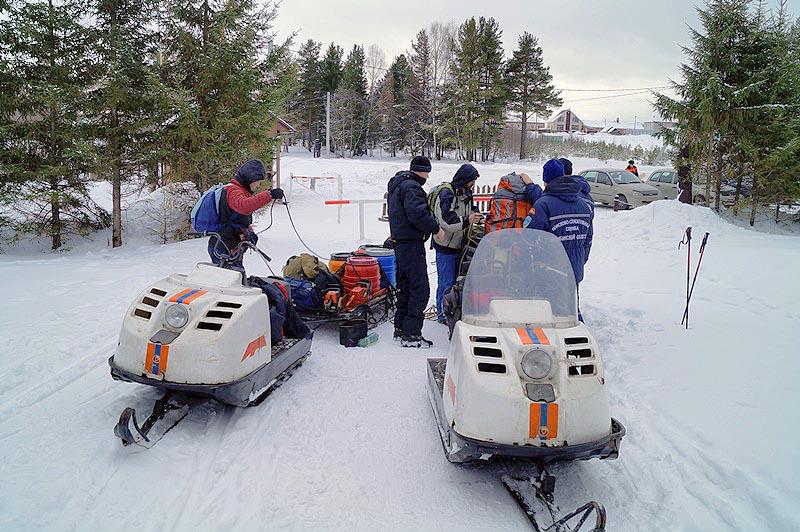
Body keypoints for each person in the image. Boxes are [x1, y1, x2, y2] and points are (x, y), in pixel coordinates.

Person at [387, 156, 446, 348]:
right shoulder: (411, 187)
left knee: (404, 287)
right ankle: (411, 334)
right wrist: (436, 227)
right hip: (411, 244)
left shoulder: (398, 185)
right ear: (420, 170)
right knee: (419, 289)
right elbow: (418, 213)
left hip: (400, 243)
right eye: (426, 172)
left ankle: (400, 328)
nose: (427, 176)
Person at [525, 159, 593, 320]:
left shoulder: (543, 204)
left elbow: (529, 236)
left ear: (545, 180)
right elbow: (588, 240)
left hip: (549, 270)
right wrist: (579, 260)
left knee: (549, 314)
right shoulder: (584, 205)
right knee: (570, 310)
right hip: (574, 268)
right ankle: (577, 337)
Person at [429, 163, 483, 323]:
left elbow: (468, 208)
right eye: (472, 181)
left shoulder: (466, 192)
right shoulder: (447, 194)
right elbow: (446, 221)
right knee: (446, 282)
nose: (473, 184)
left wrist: (474, 213)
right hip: (445, 246)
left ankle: (453, 310)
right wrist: (468, 220)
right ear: (464, 179)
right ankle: (442, 314)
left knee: (457, 282)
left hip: (460, 244)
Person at [209, 159, 284, 272]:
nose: (258, 185)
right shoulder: (233, 191)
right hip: (224, 246)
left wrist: (249, 233)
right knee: (231, 282)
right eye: (257, 181)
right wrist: (269, 195)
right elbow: (244, 206)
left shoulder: (239, 191)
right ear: (250, 179)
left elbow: (237, 218)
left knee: (234, 279)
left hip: (229, 245)